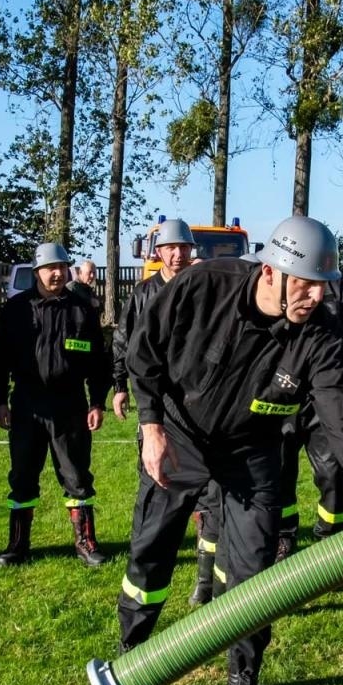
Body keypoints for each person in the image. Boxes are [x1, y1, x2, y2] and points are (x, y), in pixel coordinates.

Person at [120, 216, 343, 685]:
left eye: (323, 286)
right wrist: (151, 426)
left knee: (253, 572)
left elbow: (341, 409)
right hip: (178, 435)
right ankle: (132, 664)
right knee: (152, 549)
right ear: (271, 272)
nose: (315, 297)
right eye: (305, 284)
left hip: (251, 449)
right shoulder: (205, 284)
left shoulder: (321, 331)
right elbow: (143, 351)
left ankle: (243, 680)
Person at [111, 219, 222, 605]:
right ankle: (144, 558)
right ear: (158, 252)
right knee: (154, 483)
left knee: (210, 495)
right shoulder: (144, 293)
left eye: (184, 247)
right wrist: (119, 386)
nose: (178, 254)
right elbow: (124, 341)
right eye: (170, 248)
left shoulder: (203, 289)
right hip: (157, 405)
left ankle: (205, 580)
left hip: (200, 405)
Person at [0, 242, 111, 567]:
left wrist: (97, 402)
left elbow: (99, 362)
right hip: (27, 405)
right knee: (22, 476)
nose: (57, 273)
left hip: (70, 404)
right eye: (49, 268)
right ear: (37, 272)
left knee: (76, 476)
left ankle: (86, 543)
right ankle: (17, 545)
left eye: (62, 267)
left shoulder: (82, 309)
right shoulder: (16, 309)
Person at [279, 268, 343, 556]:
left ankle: (333, 538)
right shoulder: (283, 282)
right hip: (286, 394)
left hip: (330, 397)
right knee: (280, 469)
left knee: (331, 472)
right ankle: (283, 536)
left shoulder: (342, 287)